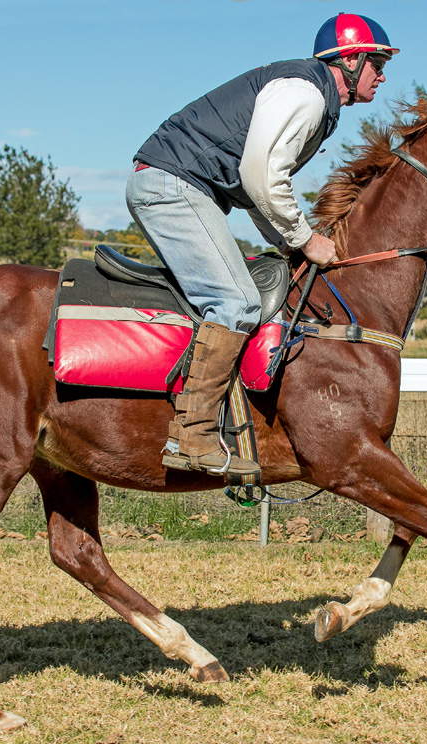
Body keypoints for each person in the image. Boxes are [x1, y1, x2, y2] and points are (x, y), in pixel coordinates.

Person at [126, 13, 398, 477]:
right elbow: (260, 177)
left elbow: (254, 189)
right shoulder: (307, 95)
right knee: (235, 301)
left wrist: (289, 245)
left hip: (176, 184)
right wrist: (305, 238)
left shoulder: (311, 95)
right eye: (378, 63)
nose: (383, 75)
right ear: (351, 60)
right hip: (173, 186)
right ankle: (192, 436)